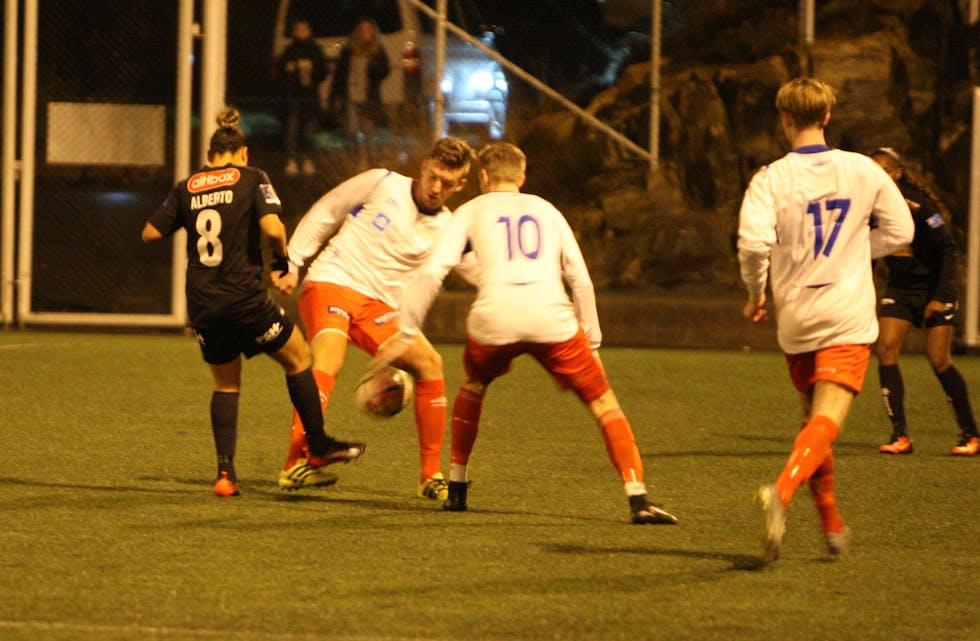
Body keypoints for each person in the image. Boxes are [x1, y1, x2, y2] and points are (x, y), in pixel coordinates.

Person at [371, 142, 679, 525]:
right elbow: (580, 280)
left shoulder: (468, 211)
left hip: (494, 319)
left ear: (483, 177)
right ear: (522, 177)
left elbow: (433, 272)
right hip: (551, 318)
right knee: (604, 403)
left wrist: (406, 328)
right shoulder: (547, 210)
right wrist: (592, 343)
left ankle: (457, 488)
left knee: (474, 387)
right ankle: (638, 498)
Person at [142, 107, 364, 497]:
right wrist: (280, 260)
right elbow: (273, 228)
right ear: (242, 152)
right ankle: (318, 445)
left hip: (204, 303)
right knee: (299, 357)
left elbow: (149, 234)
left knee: (226, 386)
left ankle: (225, 475)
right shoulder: (253, 178)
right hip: (244, 298)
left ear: (211, 154)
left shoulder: (187, 186)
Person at [738, 78, 914, 560]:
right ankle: (782, 491)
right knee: (825, 422)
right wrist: (859, 250)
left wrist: (756, 293)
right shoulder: (862, 169)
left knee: (809, 423)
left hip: (796, 316)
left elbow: (753, 245)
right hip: (845, 314)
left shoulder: (770, 178)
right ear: (827, 116)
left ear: (786, 119)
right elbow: (902, 229)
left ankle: (832, 526)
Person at [272, 137, 476, 500]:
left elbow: (478, 270)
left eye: (448, 183)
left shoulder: (449, 227)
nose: (437, 188)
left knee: (430, 363)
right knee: (329, 360)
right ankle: (295, 465)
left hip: (379, 309)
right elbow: (327, 210)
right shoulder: (381, 182)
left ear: (460, 184)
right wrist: (292, 261)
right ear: (424, 166)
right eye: (434, 177)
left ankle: (431, 476)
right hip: (332, 281)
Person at [870, 147, 980, 457]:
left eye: (884, 169)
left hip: (933, 288)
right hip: (901, 288)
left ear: (897, 173)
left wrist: (941, 296)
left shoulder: (918, 205)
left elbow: (948, 251)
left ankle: (971, 434)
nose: (878, 175)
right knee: (887, 349)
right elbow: (867, 251)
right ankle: (900, 435)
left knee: (939, 360)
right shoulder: (870, 207)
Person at [329, 18, 390, 154]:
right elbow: (339, 75)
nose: (365, 32)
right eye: (362, 29)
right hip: (351, 95)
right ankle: (356, 157)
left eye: (368, 29)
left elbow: (385, 71)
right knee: (352, 130)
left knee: (368, 131)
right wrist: (334, 97)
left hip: (369, 97)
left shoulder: (377, 51)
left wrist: (375, 67)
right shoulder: (348, 51)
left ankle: (368, 160)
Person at [278, 20, 328, 176]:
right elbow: (279, 71)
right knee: (291, 130)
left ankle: (308, 160)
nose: (301, 32)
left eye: (304, 29)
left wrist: (312, 69)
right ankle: (291, 160)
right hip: (293, 96)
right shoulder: (290, 50)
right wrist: (289, 69)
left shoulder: (315, 49)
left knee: (309, 131)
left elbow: (323, 72)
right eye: (298, 29)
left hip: (310, 97)